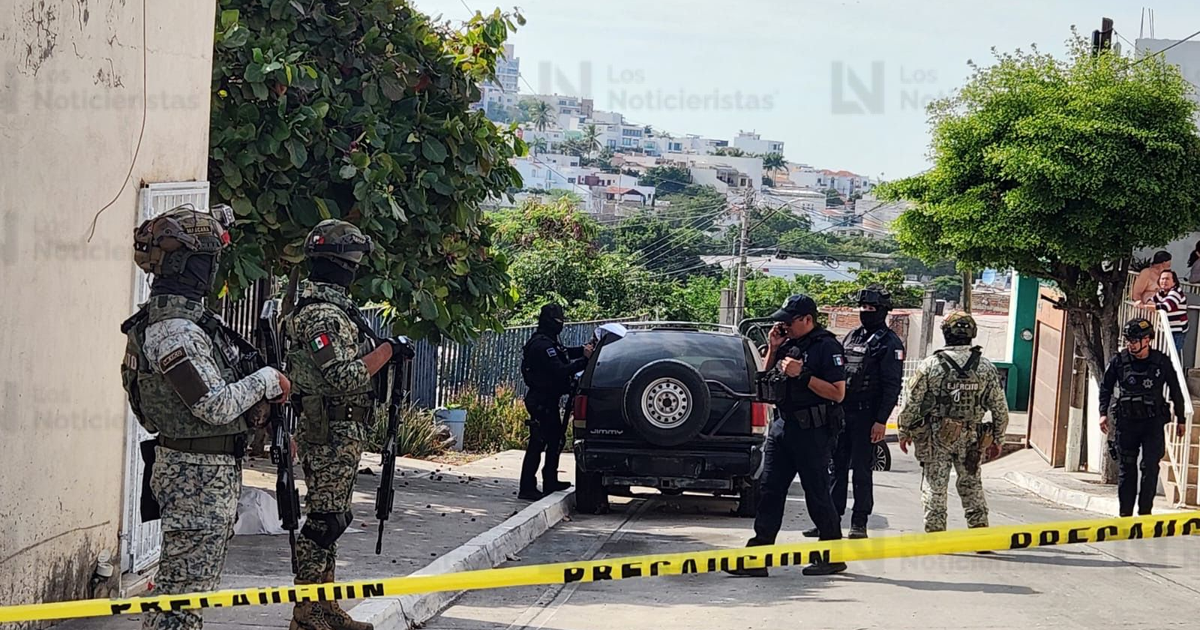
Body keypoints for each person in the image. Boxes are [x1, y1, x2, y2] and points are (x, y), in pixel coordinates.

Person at [120, 206, 289, 630]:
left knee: (186, 594)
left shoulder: (175, 324)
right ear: (192, 264)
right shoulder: (175, 331)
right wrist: (267, 380)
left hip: (200, 474)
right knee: (180, 601)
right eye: (209, 261)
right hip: (195, 478)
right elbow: (212, 405)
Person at [282, 220, 412, 630]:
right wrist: (388, 351)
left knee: (333, 515)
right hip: (329, 430)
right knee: (325, 520)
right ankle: (307, 609)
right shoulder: (322, 314)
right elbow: (342, 375)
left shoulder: (332, 309)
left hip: (341, 429)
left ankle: (324, 602)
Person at [726, 294, 848, 577]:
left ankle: (832, 554)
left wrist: (802, 375)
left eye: (788, 321)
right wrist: (773, 347)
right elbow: (764, 379)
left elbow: (838, 393)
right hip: (782, 428)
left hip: (813, 431)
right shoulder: (788, 344)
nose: (784, 325)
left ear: (808, 319)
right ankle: (758, 557)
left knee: (817, 494)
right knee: (769, 492)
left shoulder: (826, 346)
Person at [896, 312, 1009, 534]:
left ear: (946, 333)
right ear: (972, 334)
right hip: (972, 437)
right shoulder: (985, 367)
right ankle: (980, 535)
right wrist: (998, 438)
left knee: (935, 486)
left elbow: (911, 402)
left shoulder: (930, 365)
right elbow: (1000, 408)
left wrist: (904, 430)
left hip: (936, 437)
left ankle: (936, 533)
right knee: (971, 485)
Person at [811, 285, 905, 540]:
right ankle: (829, 521)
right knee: (835, 469)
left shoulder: (890, 343)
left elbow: (891, 385)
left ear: (883, 311)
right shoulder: (852, 336)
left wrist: (880, 421)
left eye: (871, 308)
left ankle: (860, 522)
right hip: (842, 413)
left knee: (862, 471)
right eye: (863, 307)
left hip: (867, 416)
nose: (866, 311)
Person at [1099, 318, 1187, 517]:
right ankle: (1125, 515)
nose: (1131, 344)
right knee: (1126, 468)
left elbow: (1175, 389)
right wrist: (1102, 413)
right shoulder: (1119, 361)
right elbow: (1105, 387)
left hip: (1152, 423)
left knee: (1149, 467)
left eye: (1135, 339)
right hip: (1126, 422)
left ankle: (1145, 513)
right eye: (1129, 340)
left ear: (1147, 340)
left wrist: (1181, 419)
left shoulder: (1161, 362)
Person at [520, 303, 593, 500]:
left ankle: (550, 480)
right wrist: (584, 361)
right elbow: (559, 369)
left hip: (549, 399)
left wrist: (584, 350)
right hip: (540, 400)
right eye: (558, 321)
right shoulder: (541, 345)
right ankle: (527, 487)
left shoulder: (549, 342)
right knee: (538, 442)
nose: (561, 325)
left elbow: (564, 352)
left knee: (555, 440)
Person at [1152, 269, 1189, 356]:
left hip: (1177, 331)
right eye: (1162, 279)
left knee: (1173, 356)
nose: (1164, 281)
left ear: (1174, 282)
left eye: (1167, 279)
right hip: (1165, 330)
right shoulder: (1161, 292)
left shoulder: (1176, 292)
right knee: (1164, 355)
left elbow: (1165, 307)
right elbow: (1151, 301)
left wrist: (1143, 306)